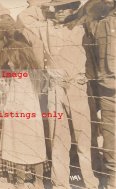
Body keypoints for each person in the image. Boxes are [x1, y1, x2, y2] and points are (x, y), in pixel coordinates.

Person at [0, 4, 47, 188]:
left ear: (2, 18)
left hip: (14, 83)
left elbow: (19, 59)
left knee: (18, 132)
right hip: (9, 82)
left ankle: (20, 174)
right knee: (10, 130)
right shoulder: (1, 35)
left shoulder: (16, 36)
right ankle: (11, 171)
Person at [41, 0, 100, 188]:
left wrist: (87, 76)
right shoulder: (46, 28)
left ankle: (90, 181)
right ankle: (60, 183)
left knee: (84, 137)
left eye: (64, 7)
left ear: (75, 9)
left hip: (77, 85)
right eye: (56, 8)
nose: (59, 12)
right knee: (58, 137)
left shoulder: (82, 27)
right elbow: (25, 17)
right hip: (55, 88)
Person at [70, 0, 115, 187]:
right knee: (109, 133)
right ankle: (112, 177)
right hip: (104, 86)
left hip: (104, 84)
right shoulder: (92, 13)